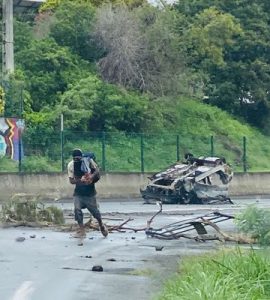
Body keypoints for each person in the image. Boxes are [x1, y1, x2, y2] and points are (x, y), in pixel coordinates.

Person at [67, 148, 108, 238]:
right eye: (75, 159)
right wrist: (80, 180)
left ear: (82, 157)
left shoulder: (89, 161)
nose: (77, 160)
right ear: (73, 158)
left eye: (79, 158)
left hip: (90, 192)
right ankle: (82, 230)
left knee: (95, 212)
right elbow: (71, 181)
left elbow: (97, 170)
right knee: (77, 210)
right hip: (78, 192)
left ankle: (101, 225)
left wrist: (91, 177)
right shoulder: (71, 165)